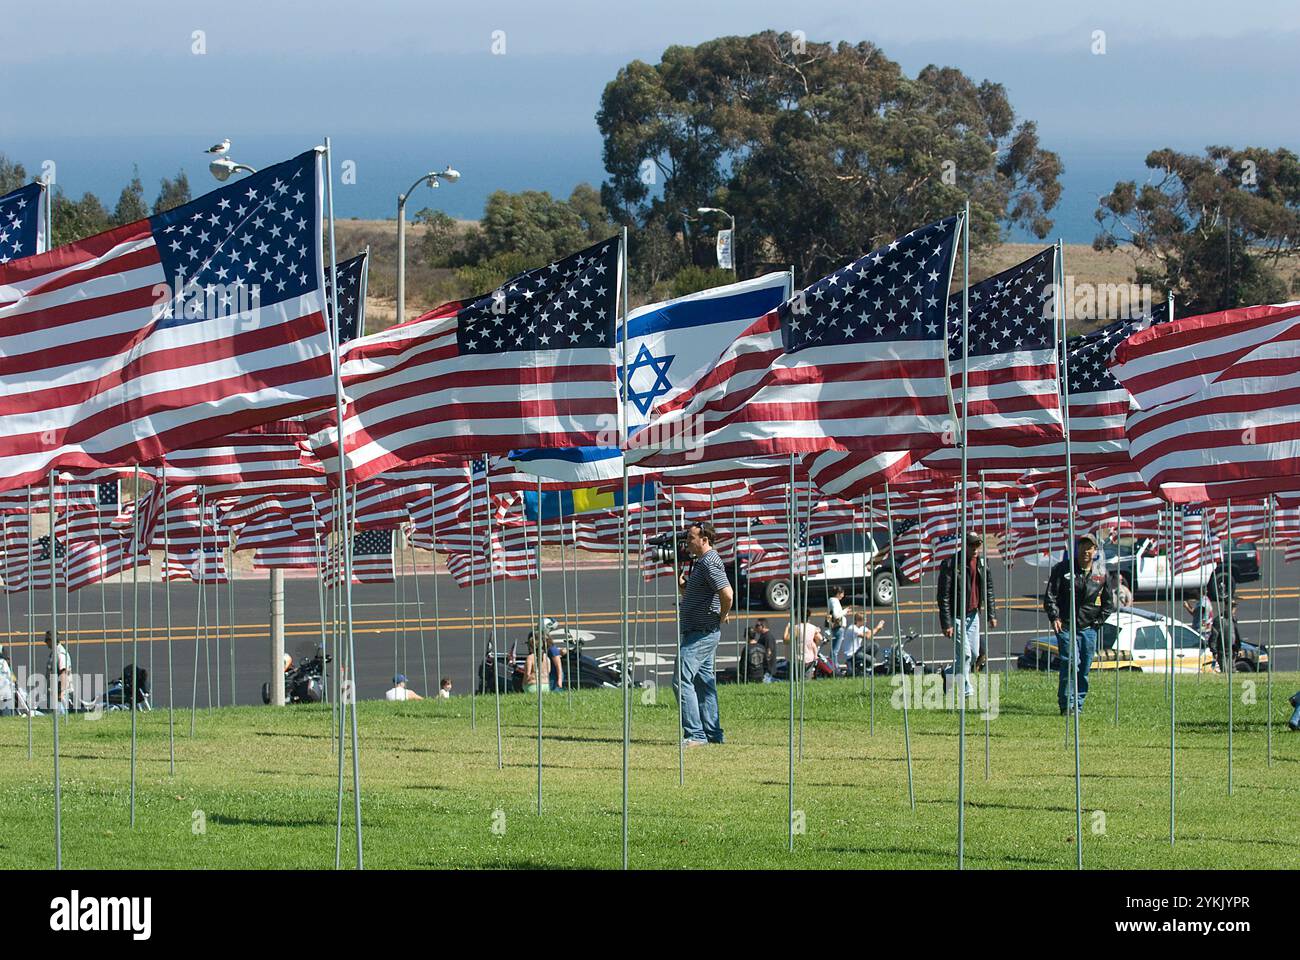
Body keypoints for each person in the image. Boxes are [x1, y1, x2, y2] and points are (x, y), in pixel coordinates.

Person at [673, 522, 732, 745]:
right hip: (699, 631)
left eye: (690, 538)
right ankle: (713, 733)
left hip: (701, 633)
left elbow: (727, 593)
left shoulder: (709, 562)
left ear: (704, 540)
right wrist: (680, 580)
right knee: (704, 683)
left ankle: (695, 735)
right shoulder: (701, 563)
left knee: (681, 680)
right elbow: (693, 592)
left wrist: (722, 614)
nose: (687, 542)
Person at [1043, 534, 1115, 715]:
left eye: (1089, 547)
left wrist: (1097, 623)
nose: (1085, 550)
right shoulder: (1063, 569)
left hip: (1088, 629)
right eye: (1082, 546)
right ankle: (1067, 704)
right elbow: (1050, 597)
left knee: (1083, 668)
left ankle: (1079, 705)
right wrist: (1055, 617)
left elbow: (1108, 604)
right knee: (1071, 663)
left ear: (1095, 550)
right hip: (1066, 626)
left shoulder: (1101, 573)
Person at [937, 532, 998, 698]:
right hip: (957, 616)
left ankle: (949, 673)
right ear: (964, 546)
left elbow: (989, 589)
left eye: (978, 545)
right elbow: (943, 596)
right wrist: (946, 623)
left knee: (974, 655)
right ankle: (966, 690)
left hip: (973, 615)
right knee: (964, 655)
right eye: (972, 545)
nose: (975, 549)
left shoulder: (982, 563)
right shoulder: (951, 564)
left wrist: (991, 614)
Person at [1208, 599, 1243, 672]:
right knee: (1225, 671)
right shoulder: (1219, 620)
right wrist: (1214, 651)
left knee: (1233, 671)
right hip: (1222, 652)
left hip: (1232, 651)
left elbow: (1235, 634)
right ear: (1226, 607)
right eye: (1231, 607)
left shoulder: (1233, 619)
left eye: (1234, 607)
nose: (1233, 609)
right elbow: (1213, 637)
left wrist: (1238, 648)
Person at [43, 630, 70, 713]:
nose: (45, 643)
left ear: (52, 640)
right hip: (54, 692)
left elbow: (63, 673)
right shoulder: (54, 653)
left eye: (47, 640)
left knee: (59, 717)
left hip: (59, 694)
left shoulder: (60, 654)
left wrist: (61, 693)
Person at [743, 618, 776, 683]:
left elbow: (769, 653)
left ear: (762, 626)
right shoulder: (763, 636)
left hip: (767, 670)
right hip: (764, 670)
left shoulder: (768, 637)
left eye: (757, 626)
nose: (755, 628)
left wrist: (764, 667)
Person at [826, 586, 851, 665]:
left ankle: (832, 665)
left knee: (834, 649)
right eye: (842, 593)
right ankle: (834, 667)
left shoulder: (831, 600)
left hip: (835, 627)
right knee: (835, 650)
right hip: (838, 627)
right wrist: (845, 611)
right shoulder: (835, 601)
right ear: (838, 593)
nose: (843, 595)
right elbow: (836, 615)